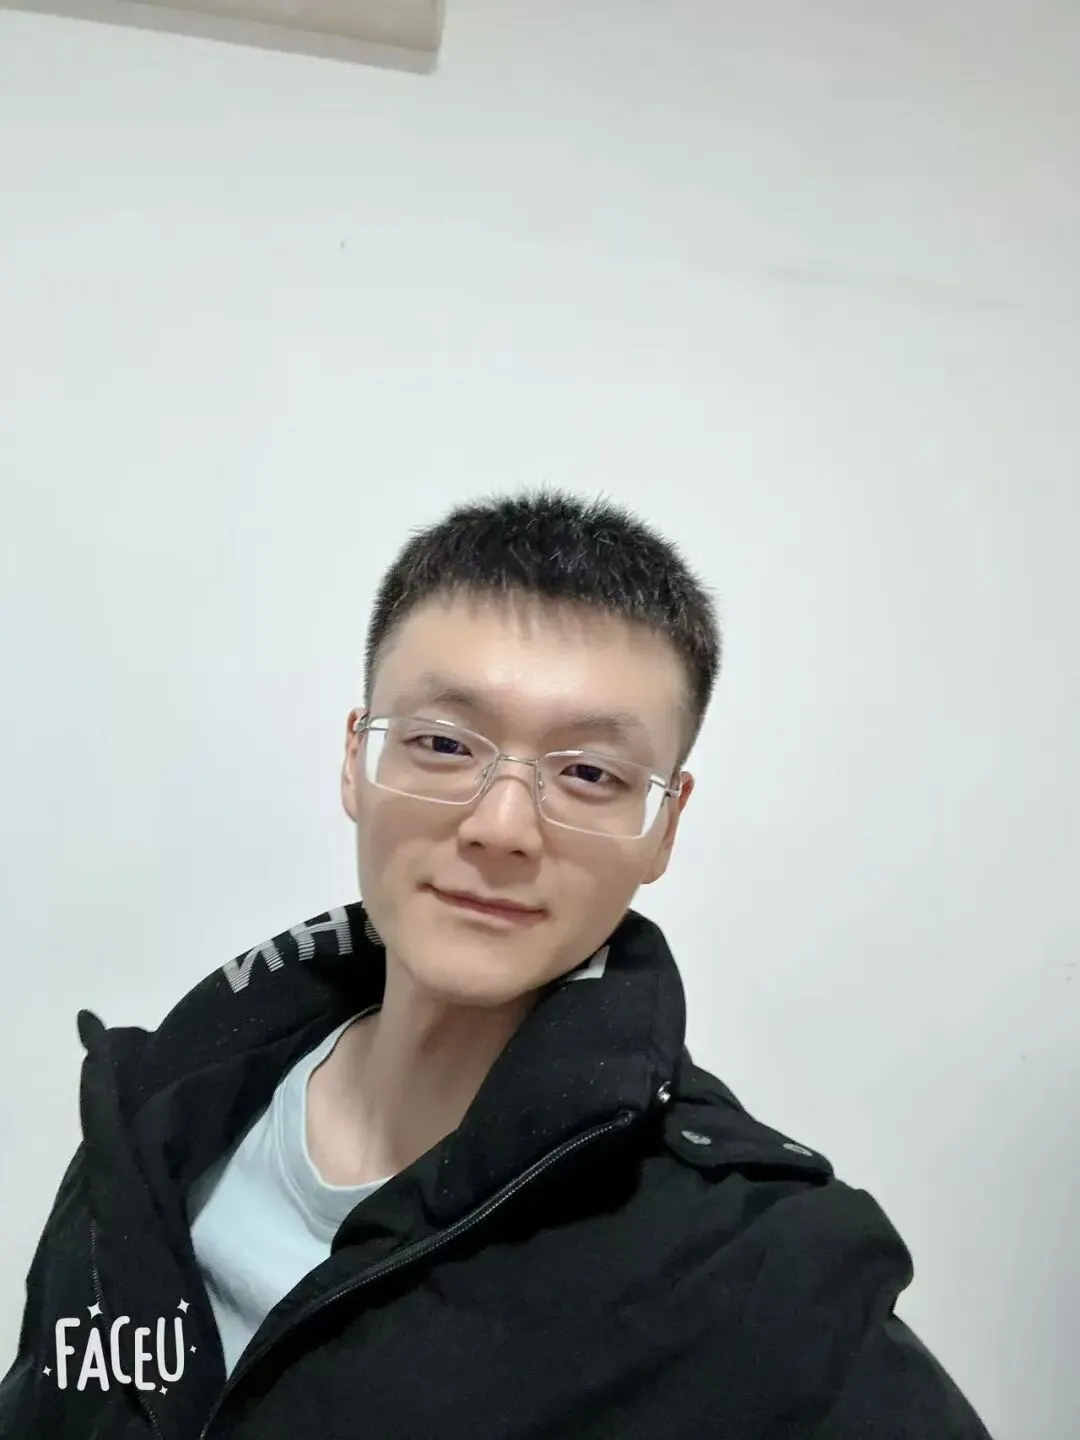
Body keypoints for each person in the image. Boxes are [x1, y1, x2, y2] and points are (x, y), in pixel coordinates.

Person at [0, 489, 992, 1439]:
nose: (503, 825)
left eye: (590, 773)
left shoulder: (755, 1264)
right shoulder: (153, 1114)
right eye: (442, 743)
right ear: (355, 760)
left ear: (666, 826)